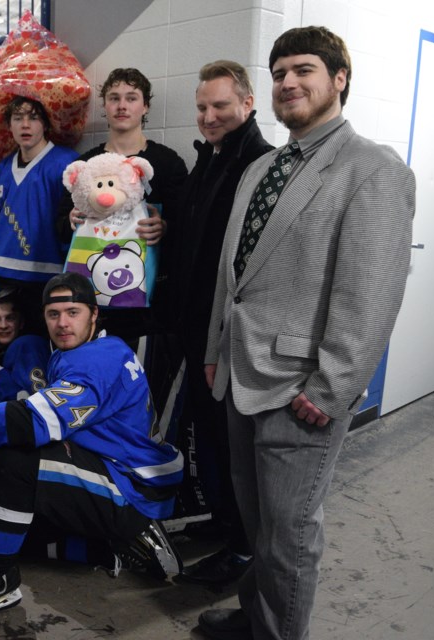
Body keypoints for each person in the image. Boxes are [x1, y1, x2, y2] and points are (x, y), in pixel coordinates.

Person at [198, 27, 415, 640]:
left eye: (303, 70)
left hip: (302, 386)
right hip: (242, 372)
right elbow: (230, 273)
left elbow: (370, 294)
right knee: (257, 522)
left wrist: (331, 388)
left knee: (289, 535)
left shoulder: (373, 169)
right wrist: (217, 350)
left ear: (338, 79)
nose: (288, 82)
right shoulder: (262, 167)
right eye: (278, 72)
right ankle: (254, 616)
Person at [0, 272, 184, 623]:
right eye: (54, 315)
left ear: (94, 315)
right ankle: (109, 548)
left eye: (73, 312)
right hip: (118, 470)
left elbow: (44, 418)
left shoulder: (99, 358)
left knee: (10, 460)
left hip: (131, 488)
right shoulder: (91, 348)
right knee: (14, 516)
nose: (63, 323)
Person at [170, 61, 273, 587]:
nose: (209, 117)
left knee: (233, 444)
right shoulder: (209, 161)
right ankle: (223, 521)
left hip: (228, 335)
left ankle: (242, 548)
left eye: (221, 107)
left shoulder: (260, 163)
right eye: (203, 108)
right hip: (195, 326)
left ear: (248, 103)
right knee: (208, 435)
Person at [57, 68, 188, 345]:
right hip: (93, 300)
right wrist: (69, 218)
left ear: (145, 106)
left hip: (149, 301)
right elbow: (57, 223)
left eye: (131, 98)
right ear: (105, 106)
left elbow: (187, 221)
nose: (122, 105)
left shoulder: (166, 163)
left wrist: (165, 227)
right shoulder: (87, 164)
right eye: (114, 98)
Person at [0, 96, 79, 311]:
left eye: (33, 118)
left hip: (49, 276)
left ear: (45, 124)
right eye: (18, 118)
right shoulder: (0, 171)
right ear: (9, 125)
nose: (25, 125)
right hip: (4, 274)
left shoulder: (67, 163)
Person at [0, 289, 49, 399]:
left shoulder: (27, 345)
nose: (3, 325)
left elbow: (38, 401)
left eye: (10, 318)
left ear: (21, 322)